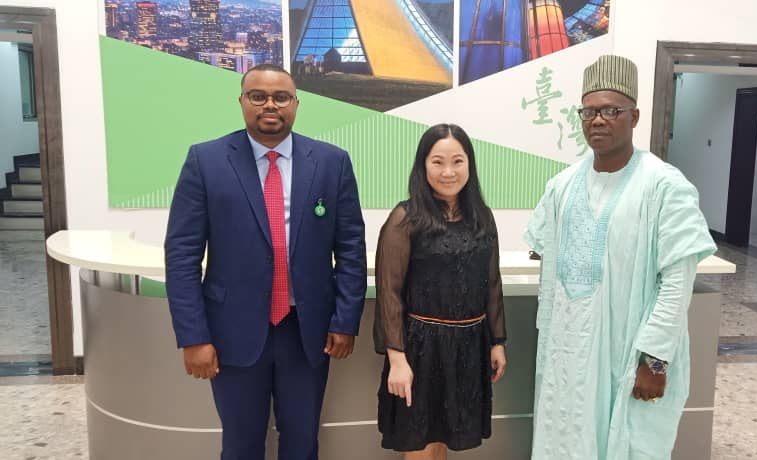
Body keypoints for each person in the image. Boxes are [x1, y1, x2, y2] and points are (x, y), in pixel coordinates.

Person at [164, 63, 366, 460]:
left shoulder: (331, 162)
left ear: (296, 104)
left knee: (302, 443)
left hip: (306, 332)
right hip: (232, 331)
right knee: (240, 445)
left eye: (281, 97)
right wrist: (194, 337)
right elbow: (182, 255)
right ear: (242, 102)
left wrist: (345, 321)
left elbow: (351, 250)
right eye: (258, 96)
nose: (270, 105)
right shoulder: (206, 161)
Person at [524, 55, 716, 459]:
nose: (598, 120)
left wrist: (656, 359)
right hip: (568, 355)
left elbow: (677, 280)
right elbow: (546, 253)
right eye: (589, 111)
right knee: (565, 439)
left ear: (634, 117)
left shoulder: (664, 186)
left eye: (611, 110)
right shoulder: (561, 186)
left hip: (629, 353)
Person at [373, 123, 507, 460]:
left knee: (445, 438)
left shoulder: (482, 217)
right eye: (438, 162)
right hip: (420, 348)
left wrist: (497, 342)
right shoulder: (405, 218)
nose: (448, 172)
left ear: (469, 164)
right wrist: (397, 359)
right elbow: (389, 292)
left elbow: (491, 282)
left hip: (469, 346)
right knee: (420, 440)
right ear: (423, 166)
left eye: (457, 161)